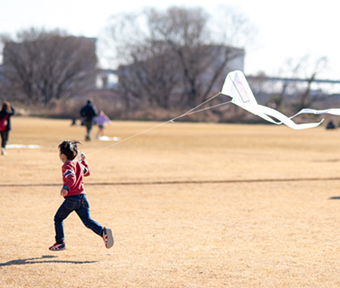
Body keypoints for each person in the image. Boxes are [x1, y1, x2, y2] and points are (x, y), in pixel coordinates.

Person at [49, 140, 114, 251]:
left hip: (72, 199)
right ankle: (103, 232)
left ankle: (60, 242)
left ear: (63, 155)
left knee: (58, 218)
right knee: (87, 221)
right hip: (83, 198)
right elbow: (87, 172)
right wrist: (84, 162)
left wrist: (66, 187)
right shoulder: (78, 164)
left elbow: (71, 177)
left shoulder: (66, 166)